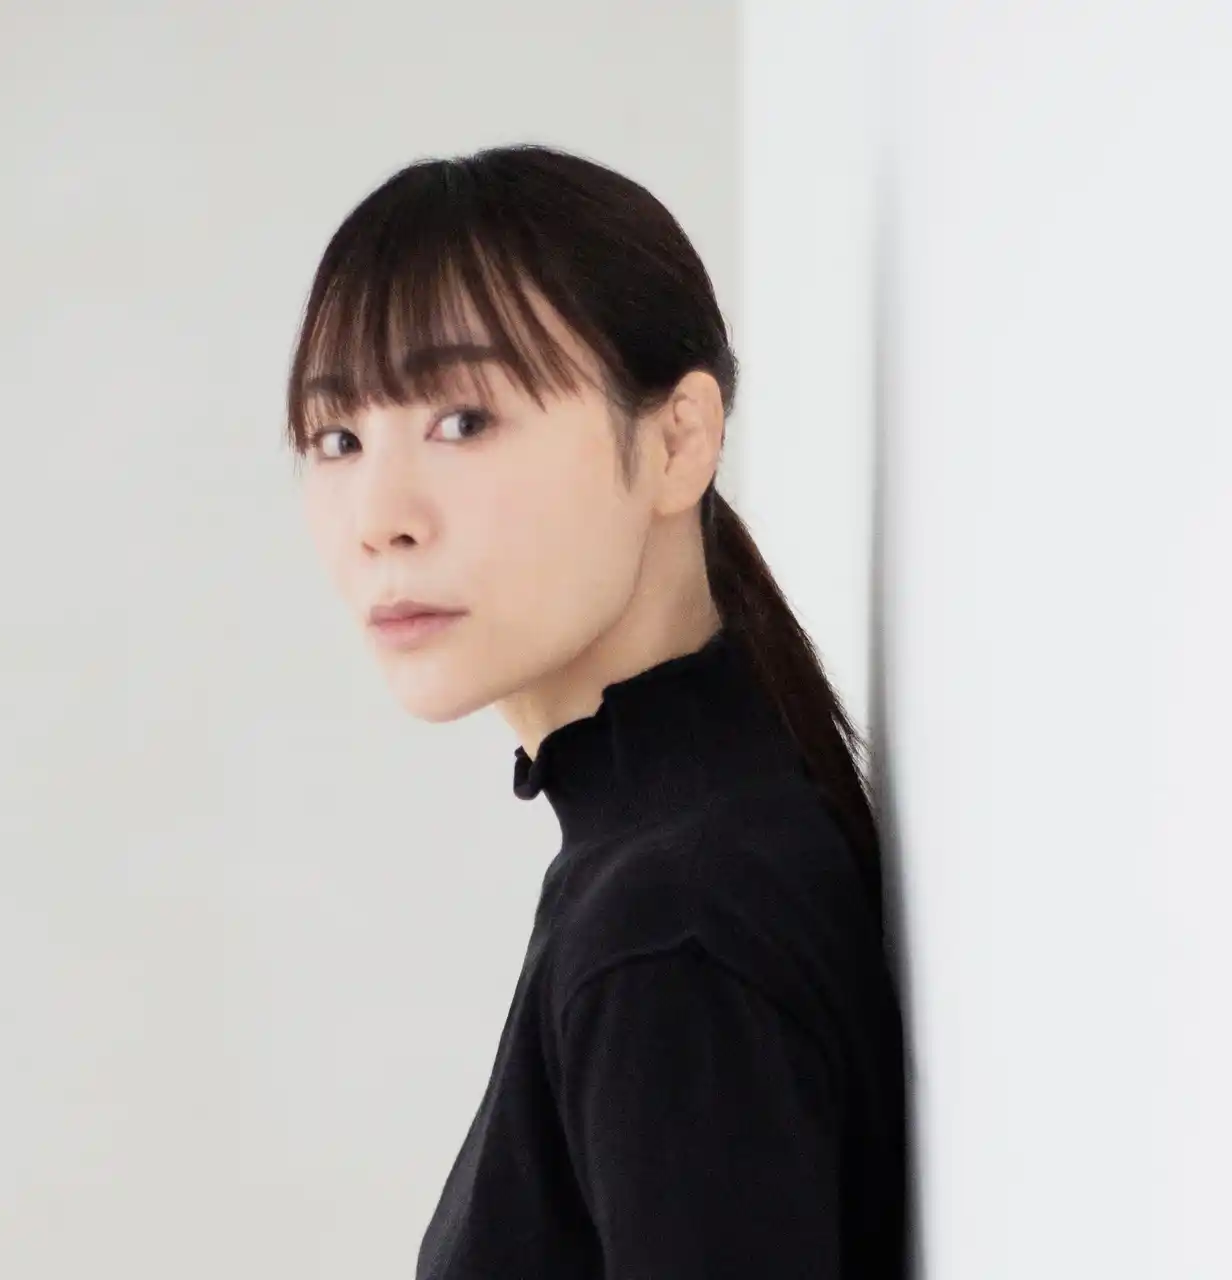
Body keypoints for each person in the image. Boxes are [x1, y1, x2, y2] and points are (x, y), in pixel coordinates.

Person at [286, 143, 908, 1279]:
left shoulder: (670, 929)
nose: (379, 517)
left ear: (677, 440)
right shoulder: (681, 853)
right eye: (338, 438)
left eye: (463, 419)